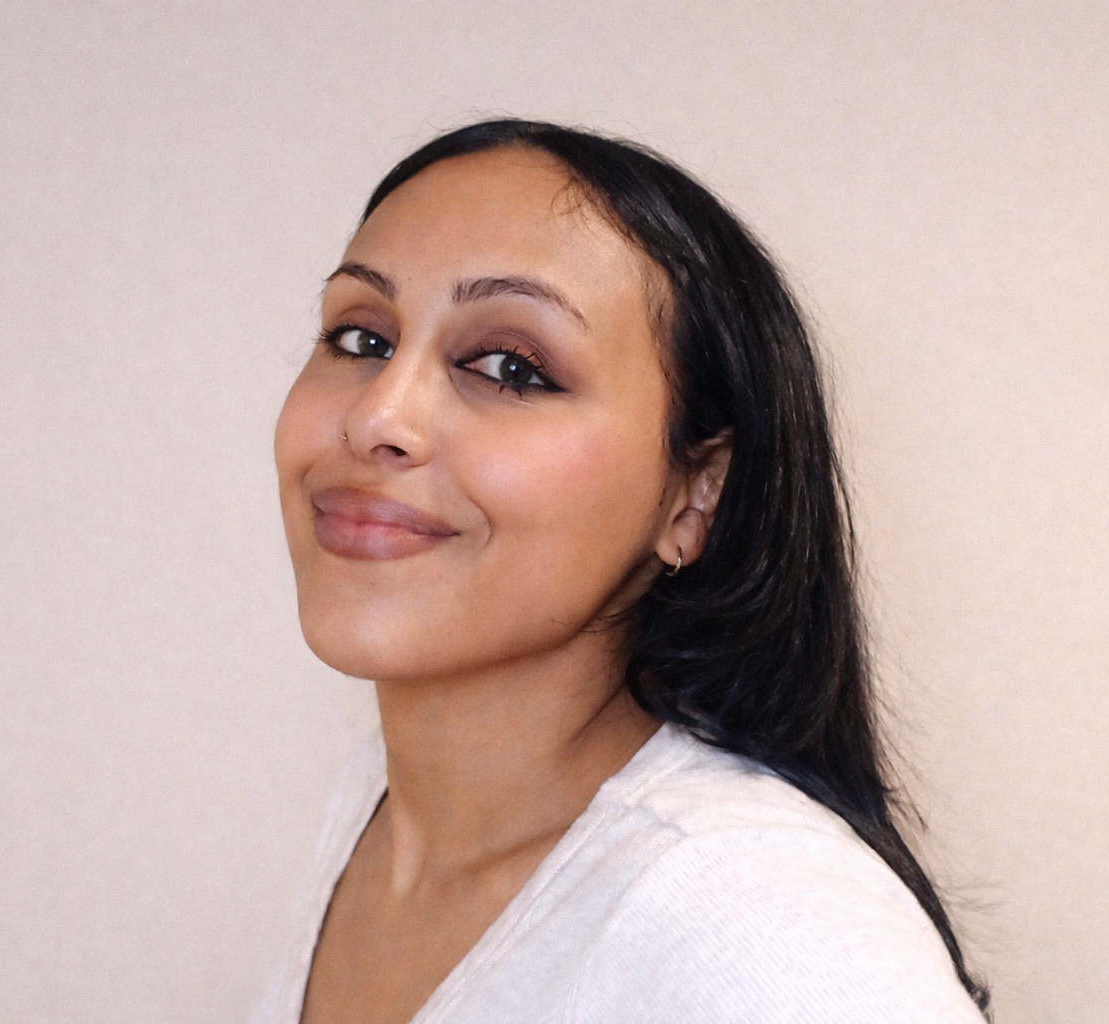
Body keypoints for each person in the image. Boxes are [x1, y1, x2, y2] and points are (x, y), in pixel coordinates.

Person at [253, 118, 991, 1023]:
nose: (378, 417)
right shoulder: (381, 807)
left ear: (696, 493)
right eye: (361, 339)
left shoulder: (764, 927)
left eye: (509, 366)